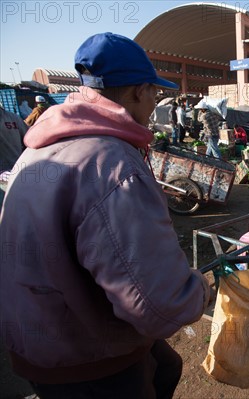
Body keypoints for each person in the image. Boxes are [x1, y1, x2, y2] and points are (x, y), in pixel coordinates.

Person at [0, 32, 211, 398]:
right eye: (154, 92)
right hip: (83, 355)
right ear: (136, 92)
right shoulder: (112, 164)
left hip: (34, 335)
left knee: (168, 367)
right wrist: (199, 290)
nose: (155, 100)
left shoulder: (39, 149)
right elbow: (158, 305)